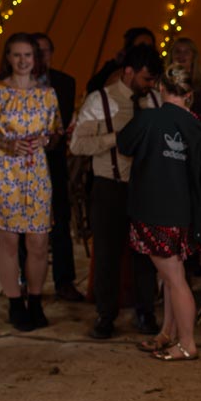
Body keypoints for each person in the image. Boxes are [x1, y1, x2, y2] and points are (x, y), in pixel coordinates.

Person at [116, 64, 201, 362]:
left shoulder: (148, 118)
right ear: (189, 94)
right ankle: (168, 333)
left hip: (152, 212)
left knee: (174, 279)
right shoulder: (200, 128)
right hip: (183, 215)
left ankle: (187, 343)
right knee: (171, 276)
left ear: (161, 88)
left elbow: (124, 144)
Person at [69, 43, 162, 340]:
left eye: (153, 80)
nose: (150, 85)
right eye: (146, 78)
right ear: (129, 72)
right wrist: (117, 138)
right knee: (107, 254)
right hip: (109, 186)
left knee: (145, 254)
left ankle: (145, 312)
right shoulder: (100, 101)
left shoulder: (156, 100)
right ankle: (105, 315)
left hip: (146, 187)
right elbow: (77, 145)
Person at [0, 33, 61, 331]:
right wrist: (7, 145)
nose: (23, 61)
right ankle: (14, 302)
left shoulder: (47, 94)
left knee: (38, 241)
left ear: (35, 59)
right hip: (4, 172)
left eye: (28, 55)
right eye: (17, 55)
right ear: (7, 58)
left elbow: (56, 133)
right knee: (9, 242)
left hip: (36, 171)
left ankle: (35, 301)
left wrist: (45, 139)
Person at [33, 32, 82, 301]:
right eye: (35, 51)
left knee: (61, 221)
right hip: (23, 164)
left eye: (45, 51)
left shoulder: (64, 83)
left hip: (53, 160)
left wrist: (52, 139)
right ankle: (25, 280)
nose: (41, 57)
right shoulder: (16, 85)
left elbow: (61, 123)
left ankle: (65, 281)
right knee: (24, 224)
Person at [86, 26, 156, 94]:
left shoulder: (156, 74)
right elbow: (93, 88)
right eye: (141, 47)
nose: (147, 52)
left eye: (150, 47)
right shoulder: (114, 69)